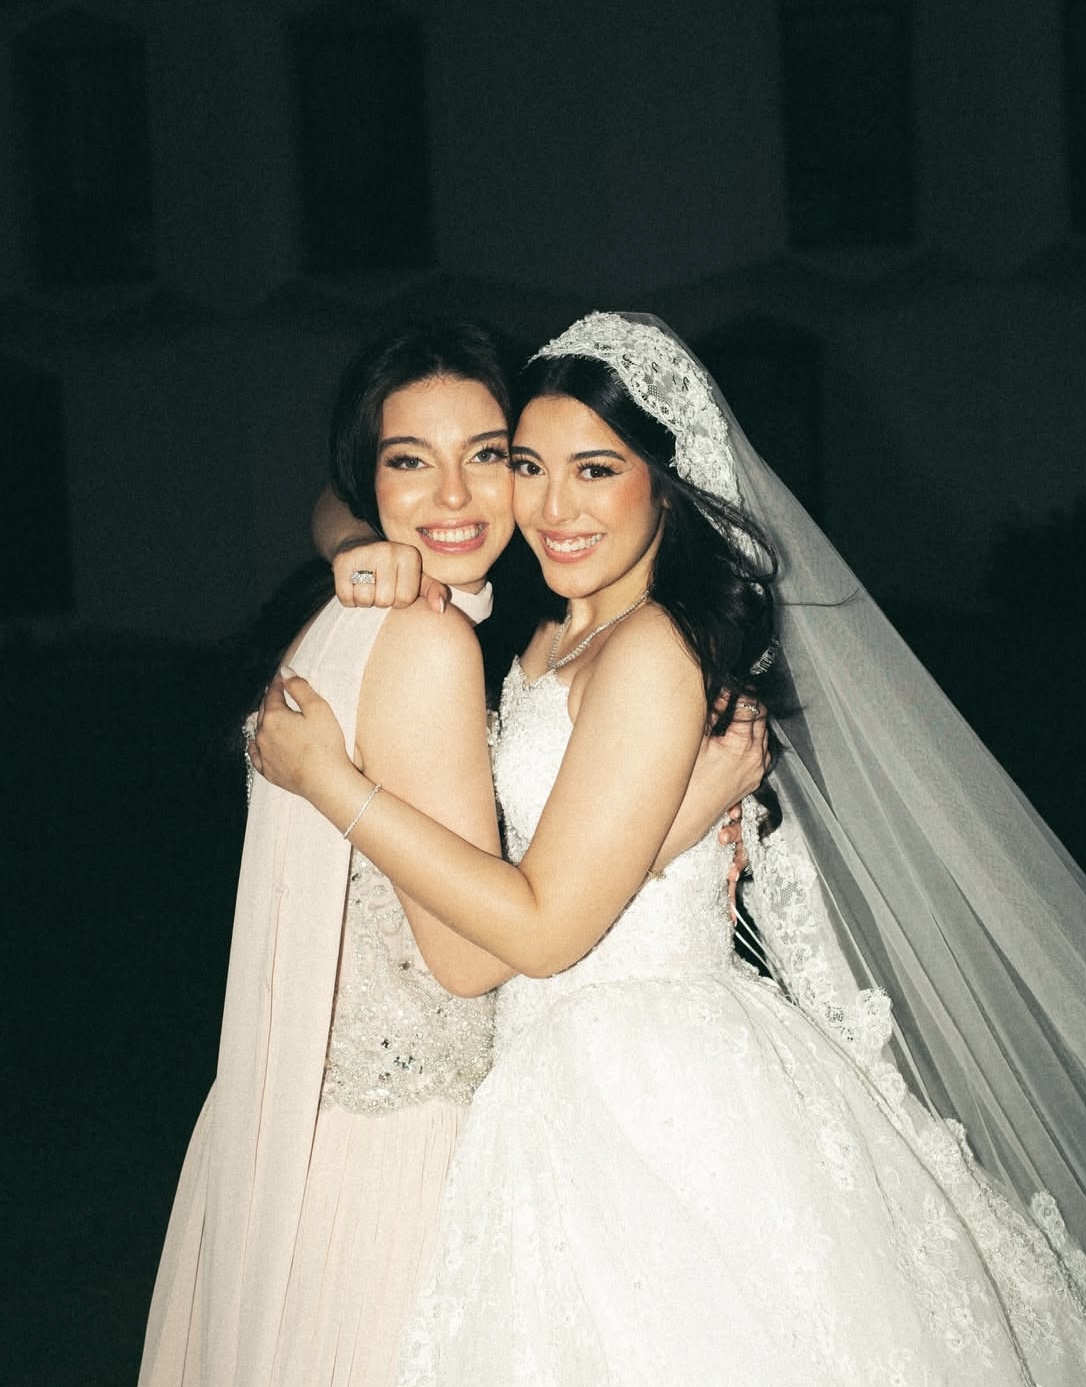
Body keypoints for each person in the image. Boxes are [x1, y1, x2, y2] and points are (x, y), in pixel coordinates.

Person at [252, 312, 1086, 1384]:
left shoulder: (654, 645)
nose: (552, 506)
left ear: (666, 485)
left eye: (595, 470)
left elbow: (543, 927)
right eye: (525, 465)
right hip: (550, 1070)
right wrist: (354, 542)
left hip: (649, 1080)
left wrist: (333, 784)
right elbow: (349, 494)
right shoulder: (543, 620)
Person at [140, 317, 766, 1387]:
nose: (459, 496)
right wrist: (670, 825)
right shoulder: (427, 636)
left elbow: (337, 501)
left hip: (296, 1127)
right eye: (410, 463)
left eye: (488, 456)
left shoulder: (372, 605)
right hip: (392, 1149)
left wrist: (351, 537)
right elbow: (476, 958)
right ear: (371, 476)